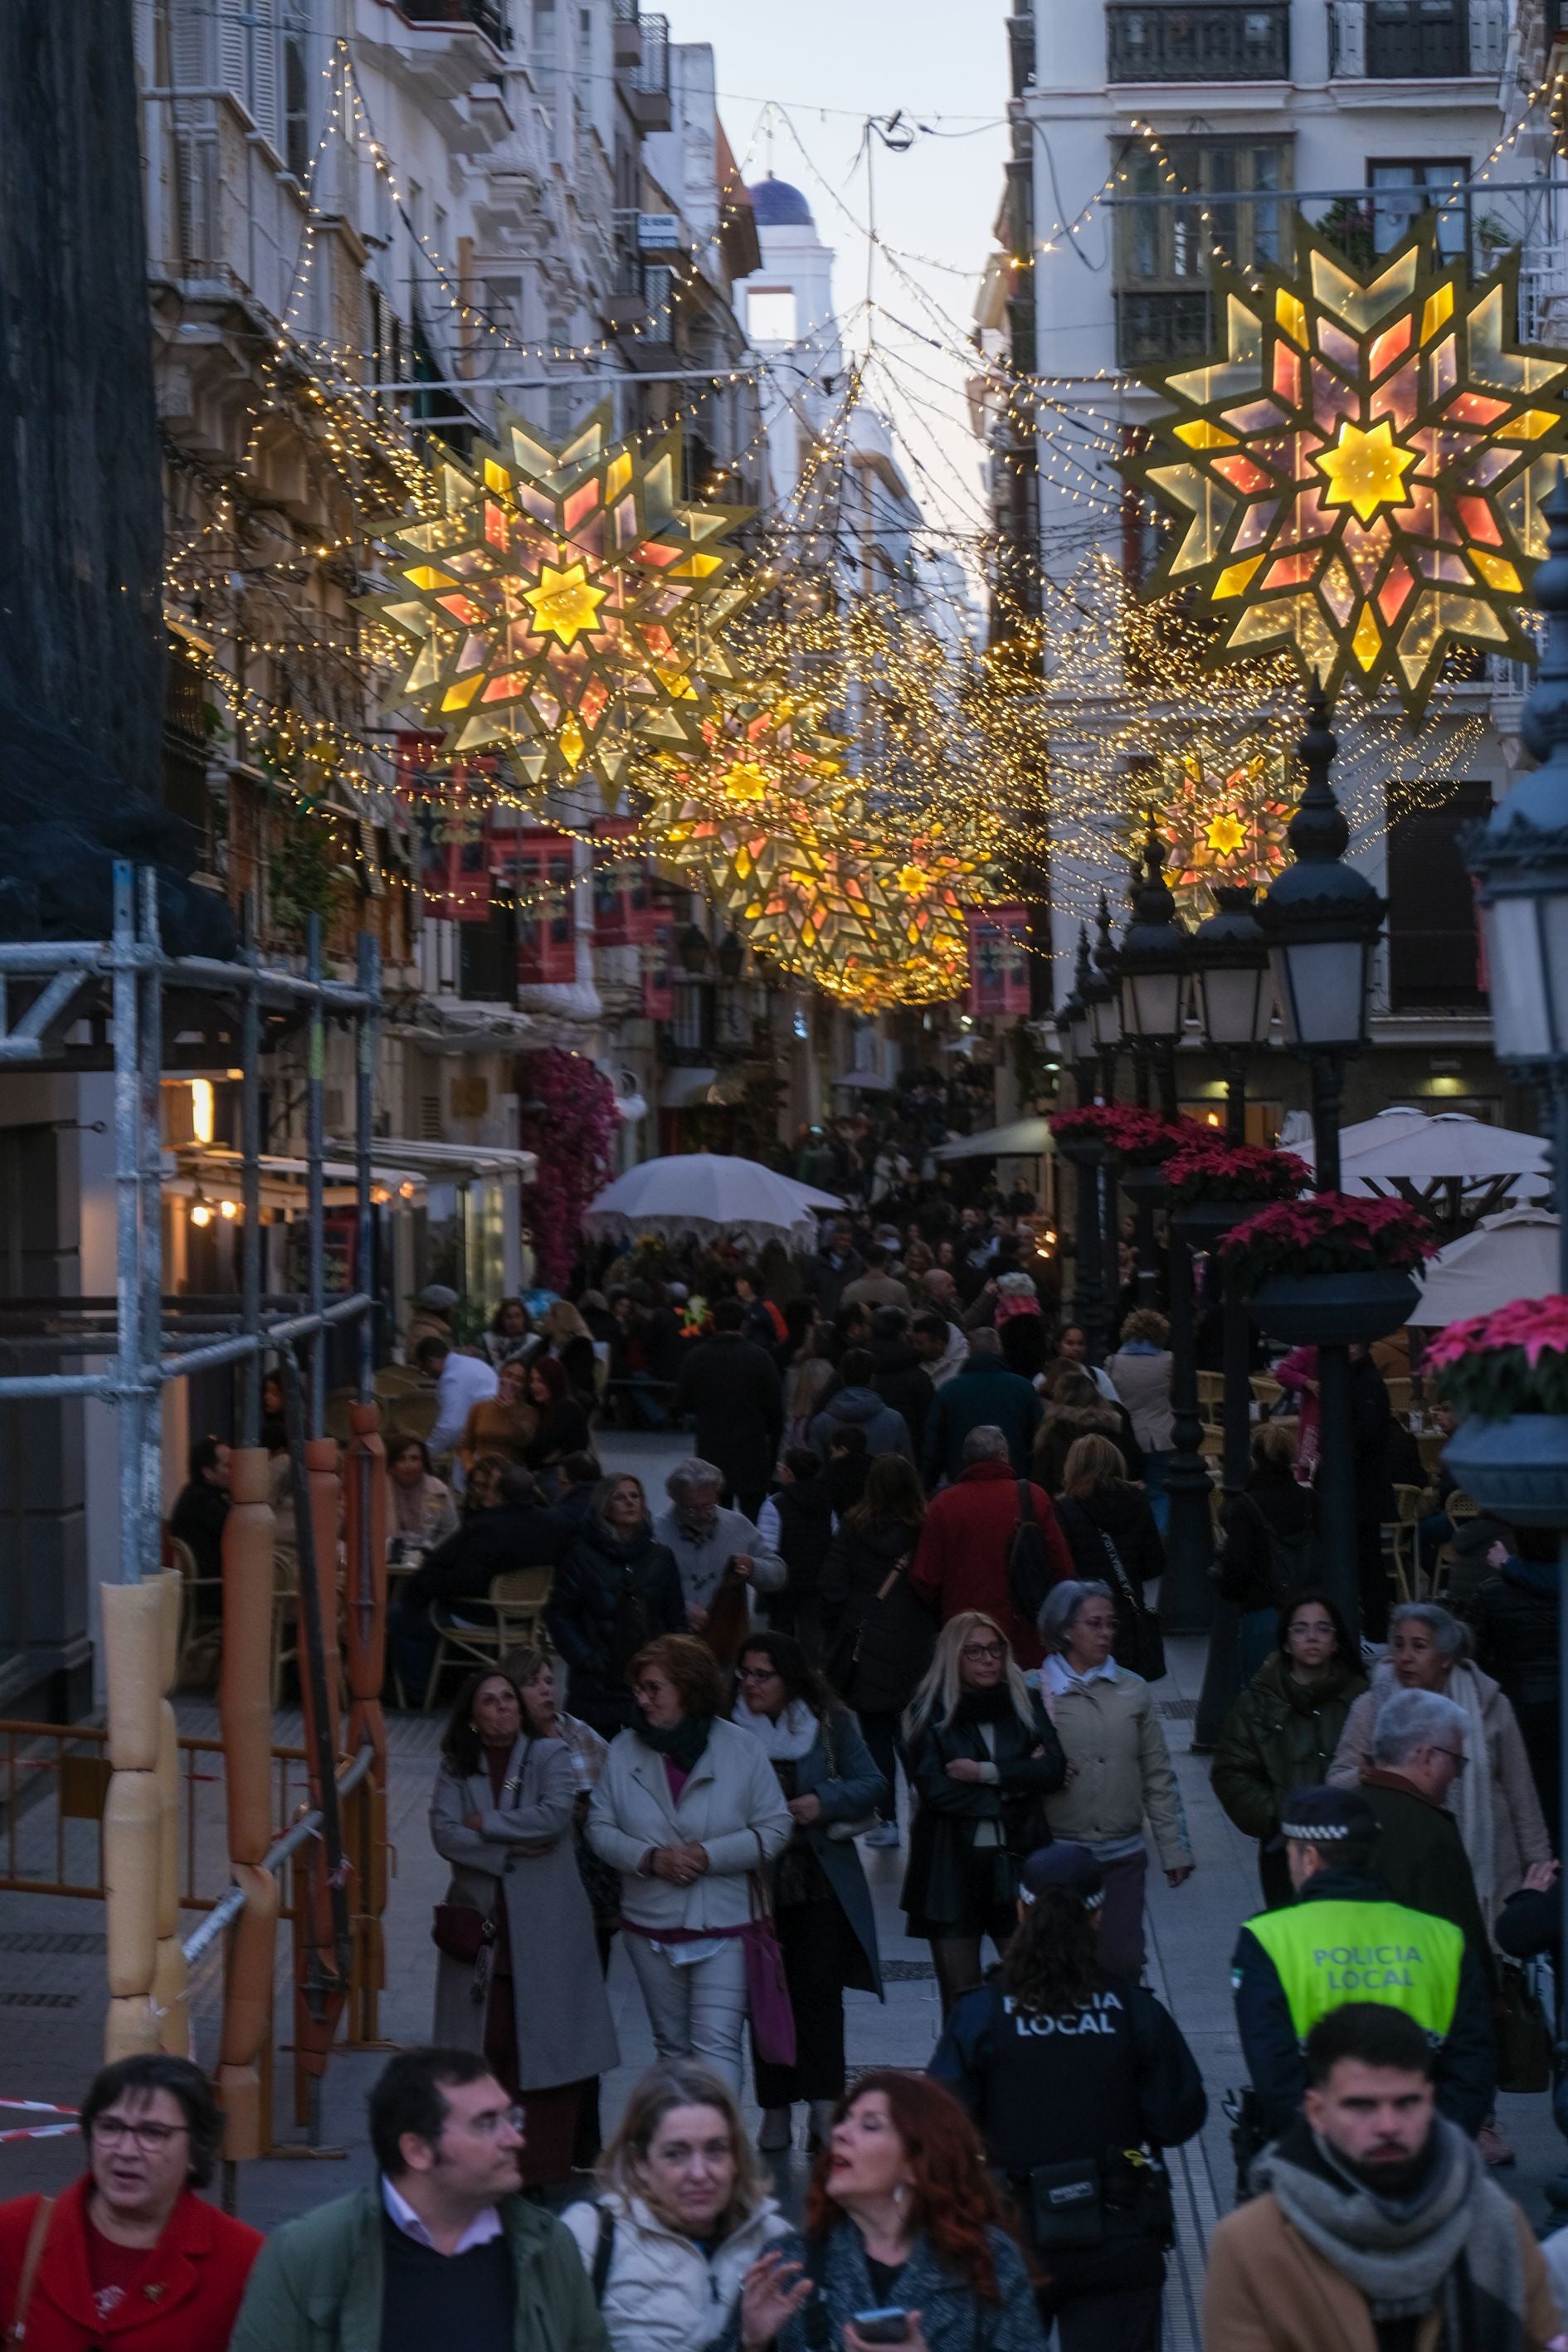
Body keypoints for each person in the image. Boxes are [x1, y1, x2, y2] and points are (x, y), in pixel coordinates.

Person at [932, 1842, 1206, 2352]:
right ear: (1098, 1917)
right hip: (1116, 2233)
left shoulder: (981, 2015)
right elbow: (1178, 2118)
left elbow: (935, 2124)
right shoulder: (1134, 2012)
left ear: (1020, 1911)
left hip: (1009, 2234)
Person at [1204, 2004, 1561, 2352]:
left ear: (1430, 2103)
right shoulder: (1250, 2246)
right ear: (1317, 2112)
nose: (1388, 2126)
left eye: (1406, 2103)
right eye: (1361, 2105)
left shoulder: (1498, 2223)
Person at [231, 2047, 606, 2352]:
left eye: (512, 2119)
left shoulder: (547, 2245)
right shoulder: (305, 2255)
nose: (515, 2139)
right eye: (488, 2123)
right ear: (418, 2150)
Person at [429, 1665, 618, 2187]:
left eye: (508, 1698)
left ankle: (539, 2169)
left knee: (546, 2051)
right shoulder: (455, 1765)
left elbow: (554, 1816)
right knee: (483, 2044)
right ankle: (478, 2160)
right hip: (483, 1924)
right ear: (472, 1715)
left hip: (546, 1927)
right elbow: (444, 1834)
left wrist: (485, 1827)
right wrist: (510, 1847)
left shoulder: (549, 1754)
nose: (504, 1707)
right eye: (489, 1701)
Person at [1230, 1784, 1495, 2143]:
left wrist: (1327, 2155)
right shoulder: (1443, 1938)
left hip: (1321, 2165)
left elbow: (1274, 2075)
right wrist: (1432, 2151)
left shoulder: (1267, 1938)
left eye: (1290, 1854)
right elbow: (1473, 2065)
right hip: (1422, 2159)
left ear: (1309, 1859)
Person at [587, 1634, 792, 2091]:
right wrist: (649, 1858)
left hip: (727, 1924)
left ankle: (720, 2152)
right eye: (639, 1689)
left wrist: (708, 1856)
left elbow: (776, 1827)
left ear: (688, 1688)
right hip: (650, 1925)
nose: (642, 1699)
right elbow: (599, 1829)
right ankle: (684, 2152)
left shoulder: (741, 1749)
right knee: (672, 2050)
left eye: (653, 1687)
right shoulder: (623, 1750)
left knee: (717, 2045)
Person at [731, 2072, 1047, 2352]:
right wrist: (751, 2343)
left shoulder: (989, 2260)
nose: (839, 2132)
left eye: (869, 2125)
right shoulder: (787, 2264)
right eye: (844, 2120)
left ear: (916, 2163)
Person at [732, 1632, 887, 2151]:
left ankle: (824, 2107)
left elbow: (872, 1781)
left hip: (819, 1880)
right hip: (757, 1885)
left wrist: (823, 1799)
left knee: (821, 1996)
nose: (750, 1684)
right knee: (766, 1995)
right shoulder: (728, 1727)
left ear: (790, 1679)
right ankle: (774, 2109)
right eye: (745, 1674)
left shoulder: (830, 1722)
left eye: (762, 1675)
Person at [0, 2053, 261, 2352]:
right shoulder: (14, 2233)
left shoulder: (245, 2262)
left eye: (153, 2133)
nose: (126, 2150)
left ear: (195, 2149)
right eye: (110, 2127)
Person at [1328, 1600, 1554, 1934]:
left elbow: (1522, 1794)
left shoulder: (1489, 1704)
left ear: (1447, 1657)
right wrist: (1368, 1775)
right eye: (1399, 1644)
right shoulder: (1372, 1707)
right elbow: (1335, 1783)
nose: (1405, 1657)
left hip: (1489, 1874)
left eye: (1419, 1646)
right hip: (1403, 1872)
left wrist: (1539, 1865)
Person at [900, 1611, 1066, 2014]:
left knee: (1028, 1994)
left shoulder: (1023, 1703)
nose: (988, 1660)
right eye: (974, 1652)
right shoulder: (928, 1713)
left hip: (1017, 1862)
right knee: (962, 2002)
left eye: (995, 1649)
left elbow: (1053, 1768)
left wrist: (983, 1773)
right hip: (950, 1869)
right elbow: (937, 1791)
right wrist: (1014, 1790)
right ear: (953, 1658)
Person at [562, 2062, 790, 2352]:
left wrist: (755, 2345)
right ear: (640, 2163)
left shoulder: (773, 2240)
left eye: (715, 2150)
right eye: (675, 2154)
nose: (699, 2173)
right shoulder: (590, 2238)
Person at [1039, 1581, 1194, 1982]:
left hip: (1122, 1854)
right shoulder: (1032, 1690)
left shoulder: (1133, 1690)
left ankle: (1120, 2037)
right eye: (1094, 1624)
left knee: (1122, 1962)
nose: (1106, 1633)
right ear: (1065, 1628)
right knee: (1062, 1967)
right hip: (1060, 1854)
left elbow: (1158, 1773)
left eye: (1111, 1624)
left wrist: (1173, 1848)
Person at [1211, 1590, 1369, 1909]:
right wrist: (1277, 1812)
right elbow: (1232, 1770)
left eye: (1323, 1628)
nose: (1312, 1637)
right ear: (1286, 1641)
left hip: (1351, 1846)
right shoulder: (1258, 1702)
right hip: (1286, 1847)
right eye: (1301, 1628)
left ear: (1337, 1640)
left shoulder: (1362, 1700)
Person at [821, 1452, 935, 1849]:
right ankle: (926, 1798)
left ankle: (885, 1820)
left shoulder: (852, 1530)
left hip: (866, 1644)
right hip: (917, 1643)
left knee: (876, 1735)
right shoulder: (925, 1530)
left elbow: (831, 1587)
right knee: (918, 1732)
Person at [392, 1459, 571, 1707]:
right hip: (528, 1616)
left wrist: (425, 1585)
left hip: (479, 1614)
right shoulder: (554, 1525)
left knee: (401, 1616)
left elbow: (465, 1579)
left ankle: (417, 1694)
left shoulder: (487, 1526)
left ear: (496, 1495)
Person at [1355, 1687, 1496, 1999]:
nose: (1456, 1777)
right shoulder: (1431, 1832)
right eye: (1457, 1763)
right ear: (1429, 1757)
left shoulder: (1343, 1813)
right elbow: (1457, 1942)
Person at [910, 1424, 1073, 1672]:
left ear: (966, 1461)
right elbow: (1062, 1567)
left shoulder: (943, 1505)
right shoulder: (1032, 1497)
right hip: (1025, 1630)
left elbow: (926, 1578)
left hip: (966, 1634)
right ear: (1003, 1456)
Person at [547, 1473, 688, 1737]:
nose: (629, 1502)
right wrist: (586, 1658)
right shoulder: (581, 1556)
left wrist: (671, 1663)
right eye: (620, 1497)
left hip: (648, 1677)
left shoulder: (660, 1558)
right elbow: (560, 1614)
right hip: (596, 1682)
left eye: (635, 1496)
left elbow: (675, 1617)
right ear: (605, 1505)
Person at [1463, 1526, 1561, 1848]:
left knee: (1522, 1793)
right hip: (1549, 1705)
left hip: (1516, 1705)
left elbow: (1471, 1652)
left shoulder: (1492, 1593)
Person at [1213, 1424, 1319, 1679]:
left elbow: (1237, 1564)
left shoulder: (1246, 1505)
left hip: (1262, 1608)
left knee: (1259, 1691)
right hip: (1307, 1608)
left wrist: (1230, 1590)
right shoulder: (1309, 1499)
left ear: (1255, 1459)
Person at [1050, 1435, 1165, 1662]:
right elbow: (1154, 1564)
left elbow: (1061, 1566)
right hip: (1128, 1614)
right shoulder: (1138, 1501)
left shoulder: (1066, 1508)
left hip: (1083, 1616)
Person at [654, 1459, 786, 1655]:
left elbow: (778, 1574)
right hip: (671, 1646)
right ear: (676, 1500)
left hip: (725, 1644)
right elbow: (641, 1587)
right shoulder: (656, 1531)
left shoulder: (737, 1525)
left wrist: (753, 1567)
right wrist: (680, 1609)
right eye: (691, 1509)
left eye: (709, 1506)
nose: (702, 1515)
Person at [673, 1300, 785, 1522]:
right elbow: (776, 1411)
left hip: (711, 1449)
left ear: (713, 1325)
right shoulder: (760, 1358)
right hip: (751, 1451)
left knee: (713, 1517)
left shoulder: (697, 1357)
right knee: (752, 1519)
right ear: (742, 1325)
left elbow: (681, 1404)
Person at [922, 1330, 1043, 1486]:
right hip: (1013, 1485)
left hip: (963, 1484)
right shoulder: (1023, 1388)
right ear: (999, 1351)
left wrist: (927, 1484)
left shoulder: (949, 1391)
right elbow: (1039, 1441)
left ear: (970, 1352)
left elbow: (933, 1446)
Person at [757, 1447, 836, 1659]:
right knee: (813, 1636)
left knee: (780, 1636)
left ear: (789, 1473)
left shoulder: (775, 1504)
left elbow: (767, 1546)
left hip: (784, 1582)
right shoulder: (825, 1502)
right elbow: (834, 1537)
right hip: (816, 1580)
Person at [1103, 1309, 1174, 1528]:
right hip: (1161, 1436)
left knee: (1127, 1489)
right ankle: (1159, 1535)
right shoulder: (1168, 1361)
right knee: (1159, 1492)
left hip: (1127, 1436)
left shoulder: (1113, 1362)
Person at [1033, 1367, 1146, 1493]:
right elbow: (1135, 1463)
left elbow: (1042, 1476)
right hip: (1112, 1500)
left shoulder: (1053, 1431)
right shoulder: (1113, 1426)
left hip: (1067, 1501)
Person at [809, 1347, 915, 1466]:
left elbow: (816, 1474)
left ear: (842, 1378)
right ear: (872, 1378)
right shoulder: (895, 1421)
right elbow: (906, 1469)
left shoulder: (820, 1424)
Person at [419, 1336, 500, 1461]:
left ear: (430, 1362)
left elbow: (450, 1427)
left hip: (479, 1445)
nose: (429, 1375)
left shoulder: (452, 1378)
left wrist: (424, 1456)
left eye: (426, 1370)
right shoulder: (471, 1364)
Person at [869, 1307, 937, 1455]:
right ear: (903, 1333)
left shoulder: (859, 1365)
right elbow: (929, 1423)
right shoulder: (917, 1375)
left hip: (863, 1453)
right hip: (907, 1454)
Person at [168, 1435, 231, 1590]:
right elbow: (239, 1533)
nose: (235, 1471)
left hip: (203, 1588)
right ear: (208, 1472)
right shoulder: (202, 1501)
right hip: (213, 1589)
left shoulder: (193, 1495)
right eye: (228, 1466)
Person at [459, 1354, 538, 1473]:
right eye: (508, 1375)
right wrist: (470, 1468)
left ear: (525, 1386)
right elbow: (466, 1446)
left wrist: (511, 1413)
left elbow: (525, 1441)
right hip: (479, 1473)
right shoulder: (480, 1407)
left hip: (510, 1477)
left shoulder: (530, 1413)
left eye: (519, 1380)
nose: (511, 1382)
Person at [387, 1435, 460, 1551]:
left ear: (424, 1463)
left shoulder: (439, 1491)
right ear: (391, 1465)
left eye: (414, 1459)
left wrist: (431, 1551)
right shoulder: (378, 1489)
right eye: (401, 1459)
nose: (408, 1465)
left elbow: (450, 1531)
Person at [523, 1356, 592, 1478]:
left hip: (562, 1476)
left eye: (541, 1381)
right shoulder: (542, 1409)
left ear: (553, 1382)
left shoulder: (567, 1408)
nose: (534, 1386)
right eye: (532, 1380)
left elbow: (543, 1449)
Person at [537, 1299, 598, 1406]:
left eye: (547, 1316)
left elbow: (579, 1379)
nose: (544, 1320)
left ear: (558, 1319)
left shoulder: (581, 1346)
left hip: (568, 1398)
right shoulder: (545, 1343)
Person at [1055, 1323, 1120, 1405]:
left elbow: (1116, 1407)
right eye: (1069, 1343)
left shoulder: (1098, 1376)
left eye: (1080, 1344)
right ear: (1058, 1346)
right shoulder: (1043, 1379)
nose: (1076, 1348)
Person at [839, 1243, 912, 1314]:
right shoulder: (899, 1289)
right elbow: (908, 1317)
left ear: (865, 1262)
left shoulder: (850, 1290)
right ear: (885, 1262)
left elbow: (843, 1319)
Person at [913, 1306, 968, 1390]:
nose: (915, 1347)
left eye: (920, 1343)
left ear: (938, 1344)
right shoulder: (914, 1361)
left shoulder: (964, 1365)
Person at [481, 1298, 533, 1371]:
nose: (514, 1321)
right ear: (501, 1320)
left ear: (524, 1319)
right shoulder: (489, 1340)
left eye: (517, 1316)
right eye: (508, 1317)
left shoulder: (534, 1342)